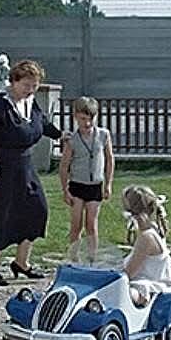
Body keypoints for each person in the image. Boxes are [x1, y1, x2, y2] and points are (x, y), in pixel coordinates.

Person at [0, 59, 63, 285]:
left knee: (37, 210)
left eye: (34, 86)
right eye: (26, 85)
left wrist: (62, 135)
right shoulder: (0, 104)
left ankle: (21, 263)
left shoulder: (30, 102)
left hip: (25, 168)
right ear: (13, 81)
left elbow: (42, 123)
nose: (30, 90)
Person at [59, 96, 115, 264]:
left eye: (91, 119)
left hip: (95, 185)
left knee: (91, 224)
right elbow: (64, 166)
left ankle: (92, 258)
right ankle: (74, 257)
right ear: (76, 117)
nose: (87, 123)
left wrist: (108, 184)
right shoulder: (72, 140)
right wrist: (65, 190)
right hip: (77, 185)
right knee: (76, 225)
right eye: (83, 119)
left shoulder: (103, 135)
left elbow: (109, 159)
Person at [121, 185, 171, 307]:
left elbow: (129, 273)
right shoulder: (153, 228)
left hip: (147, 285)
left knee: (117, 292)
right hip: (149, 279)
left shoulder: (147, 238)